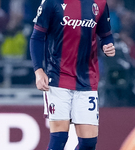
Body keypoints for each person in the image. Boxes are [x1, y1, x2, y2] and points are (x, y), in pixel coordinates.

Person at [30, 0, 115, 149]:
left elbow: (106, 35)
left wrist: (107, 46)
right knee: (59, 138)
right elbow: (37, 37)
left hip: (87, 79)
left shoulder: (99, 3)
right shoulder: (51, 2)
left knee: (88, 143)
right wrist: (39, 70)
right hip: (57, 77)